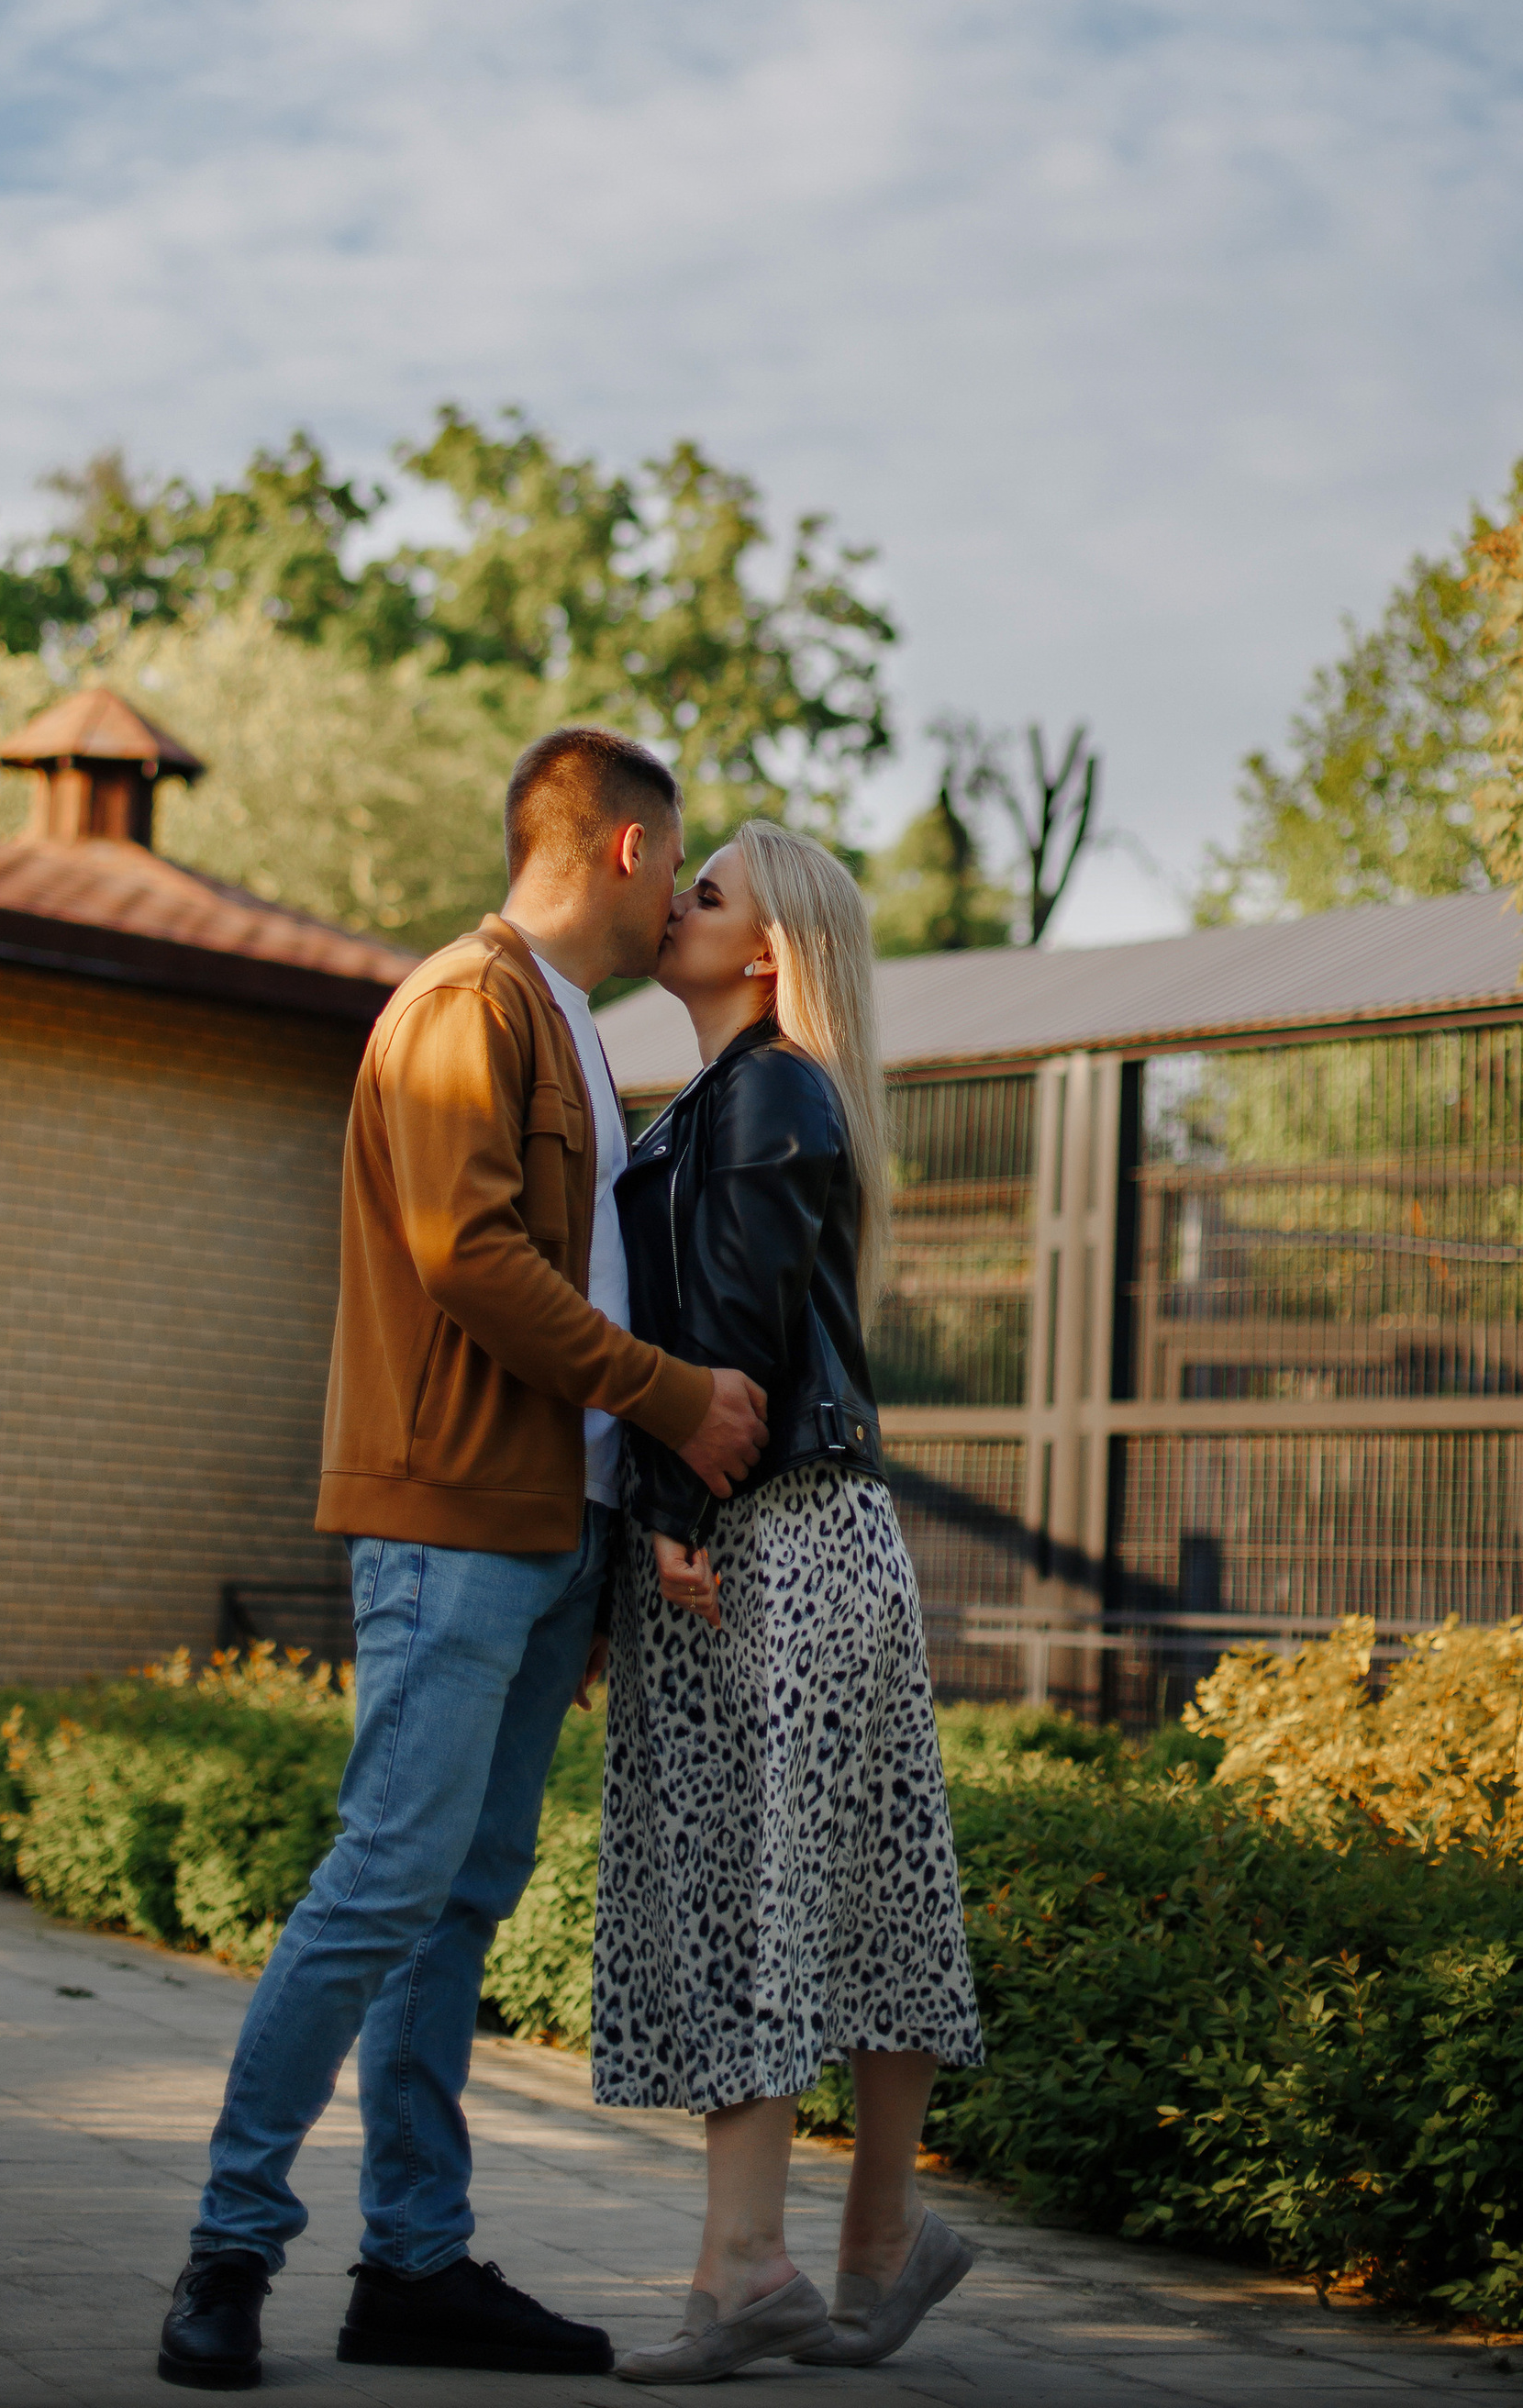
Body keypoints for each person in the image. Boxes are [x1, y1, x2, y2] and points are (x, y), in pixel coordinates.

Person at [158, 728, 771, 2392]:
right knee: (379, 1886)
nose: (686, 900)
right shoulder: (466, 1005)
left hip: (545, 1532)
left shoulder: (566, 1025)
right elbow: (468, 1253)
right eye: (685, 861)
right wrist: (672, 1400)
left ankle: (415, 2267)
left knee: (453, 1908)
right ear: (633, 852)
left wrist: (612, 1518)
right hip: (449, 1525)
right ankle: (228, 2251)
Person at [591, 821, 984, 2384]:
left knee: (768, 1883)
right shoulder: (724, 1097)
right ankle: (865, 2247)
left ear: (767, 950)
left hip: (773, 1528)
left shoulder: (767, 1087)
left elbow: (737, 1321)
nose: (672, 901)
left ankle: (757, 2267)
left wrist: (676, 1507)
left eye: (707, 892)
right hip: (779, 1531)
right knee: (845, 1883)